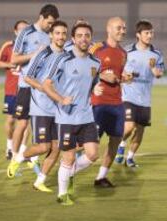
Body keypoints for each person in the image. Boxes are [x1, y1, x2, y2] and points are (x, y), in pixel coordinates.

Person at [42, 22, 101, 205]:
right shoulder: (62, 59)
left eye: (87, 35)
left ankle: (68, 172)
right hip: (66, 117)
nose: (84, 39)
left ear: (91, 39)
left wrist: (96, 89)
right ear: (73, 39)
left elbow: (92, 84)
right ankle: (62, 194)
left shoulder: (95, 62)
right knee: (67, 156)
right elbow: (46, 84)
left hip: (87, 116)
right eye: (80, 36)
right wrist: (60, 99)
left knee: (92, 154)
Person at [8, 20, 69, 193]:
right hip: (41, 107)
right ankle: (18, 158)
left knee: (57, 147)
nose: (61, 36)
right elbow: (27, 77)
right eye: (57, 33)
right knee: (44, 147)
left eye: (64, 33)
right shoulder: (42, 54)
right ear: (51, 34)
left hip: (58, 109)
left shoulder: (67, 56)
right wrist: (43, 88)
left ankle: (39, 181)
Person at [115, 20, 165, 167]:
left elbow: (158, 74)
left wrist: (154, 68)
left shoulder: (156, 54)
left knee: (140, 130)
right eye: (147, 33)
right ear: (138, 35)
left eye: (151, 33)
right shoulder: (127, 52)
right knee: (129, 126)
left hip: (145, 98)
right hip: (128, 95)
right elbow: (118, 70)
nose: (150, 35)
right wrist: (125, 77)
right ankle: (121, 144)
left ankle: (130, 158)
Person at [89, 17, 129, 187]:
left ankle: (101, 177)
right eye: (119, 28)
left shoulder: (123, 53)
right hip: (98, 103)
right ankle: (68, 168)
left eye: (124, 28)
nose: (122, 31)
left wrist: (124, 77)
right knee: (89, 145)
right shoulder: (97, 49)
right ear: (109, 28)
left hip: (117, 103)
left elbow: (118, 76)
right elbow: (86, 71)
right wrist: (103, 75)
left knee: (115, 139)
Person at [0, 20, 29, 160]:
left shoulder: (31, 47)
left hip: (26, 89)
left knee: (25, 121)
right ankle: (9, 147)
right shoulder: (9, 46)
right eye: (20, 29)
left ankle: (22, 151)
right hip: (11, 90)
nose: (23, 32)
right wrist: (11, 63)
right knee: (10, 120)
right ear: (15, 32)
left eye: (26, 29)